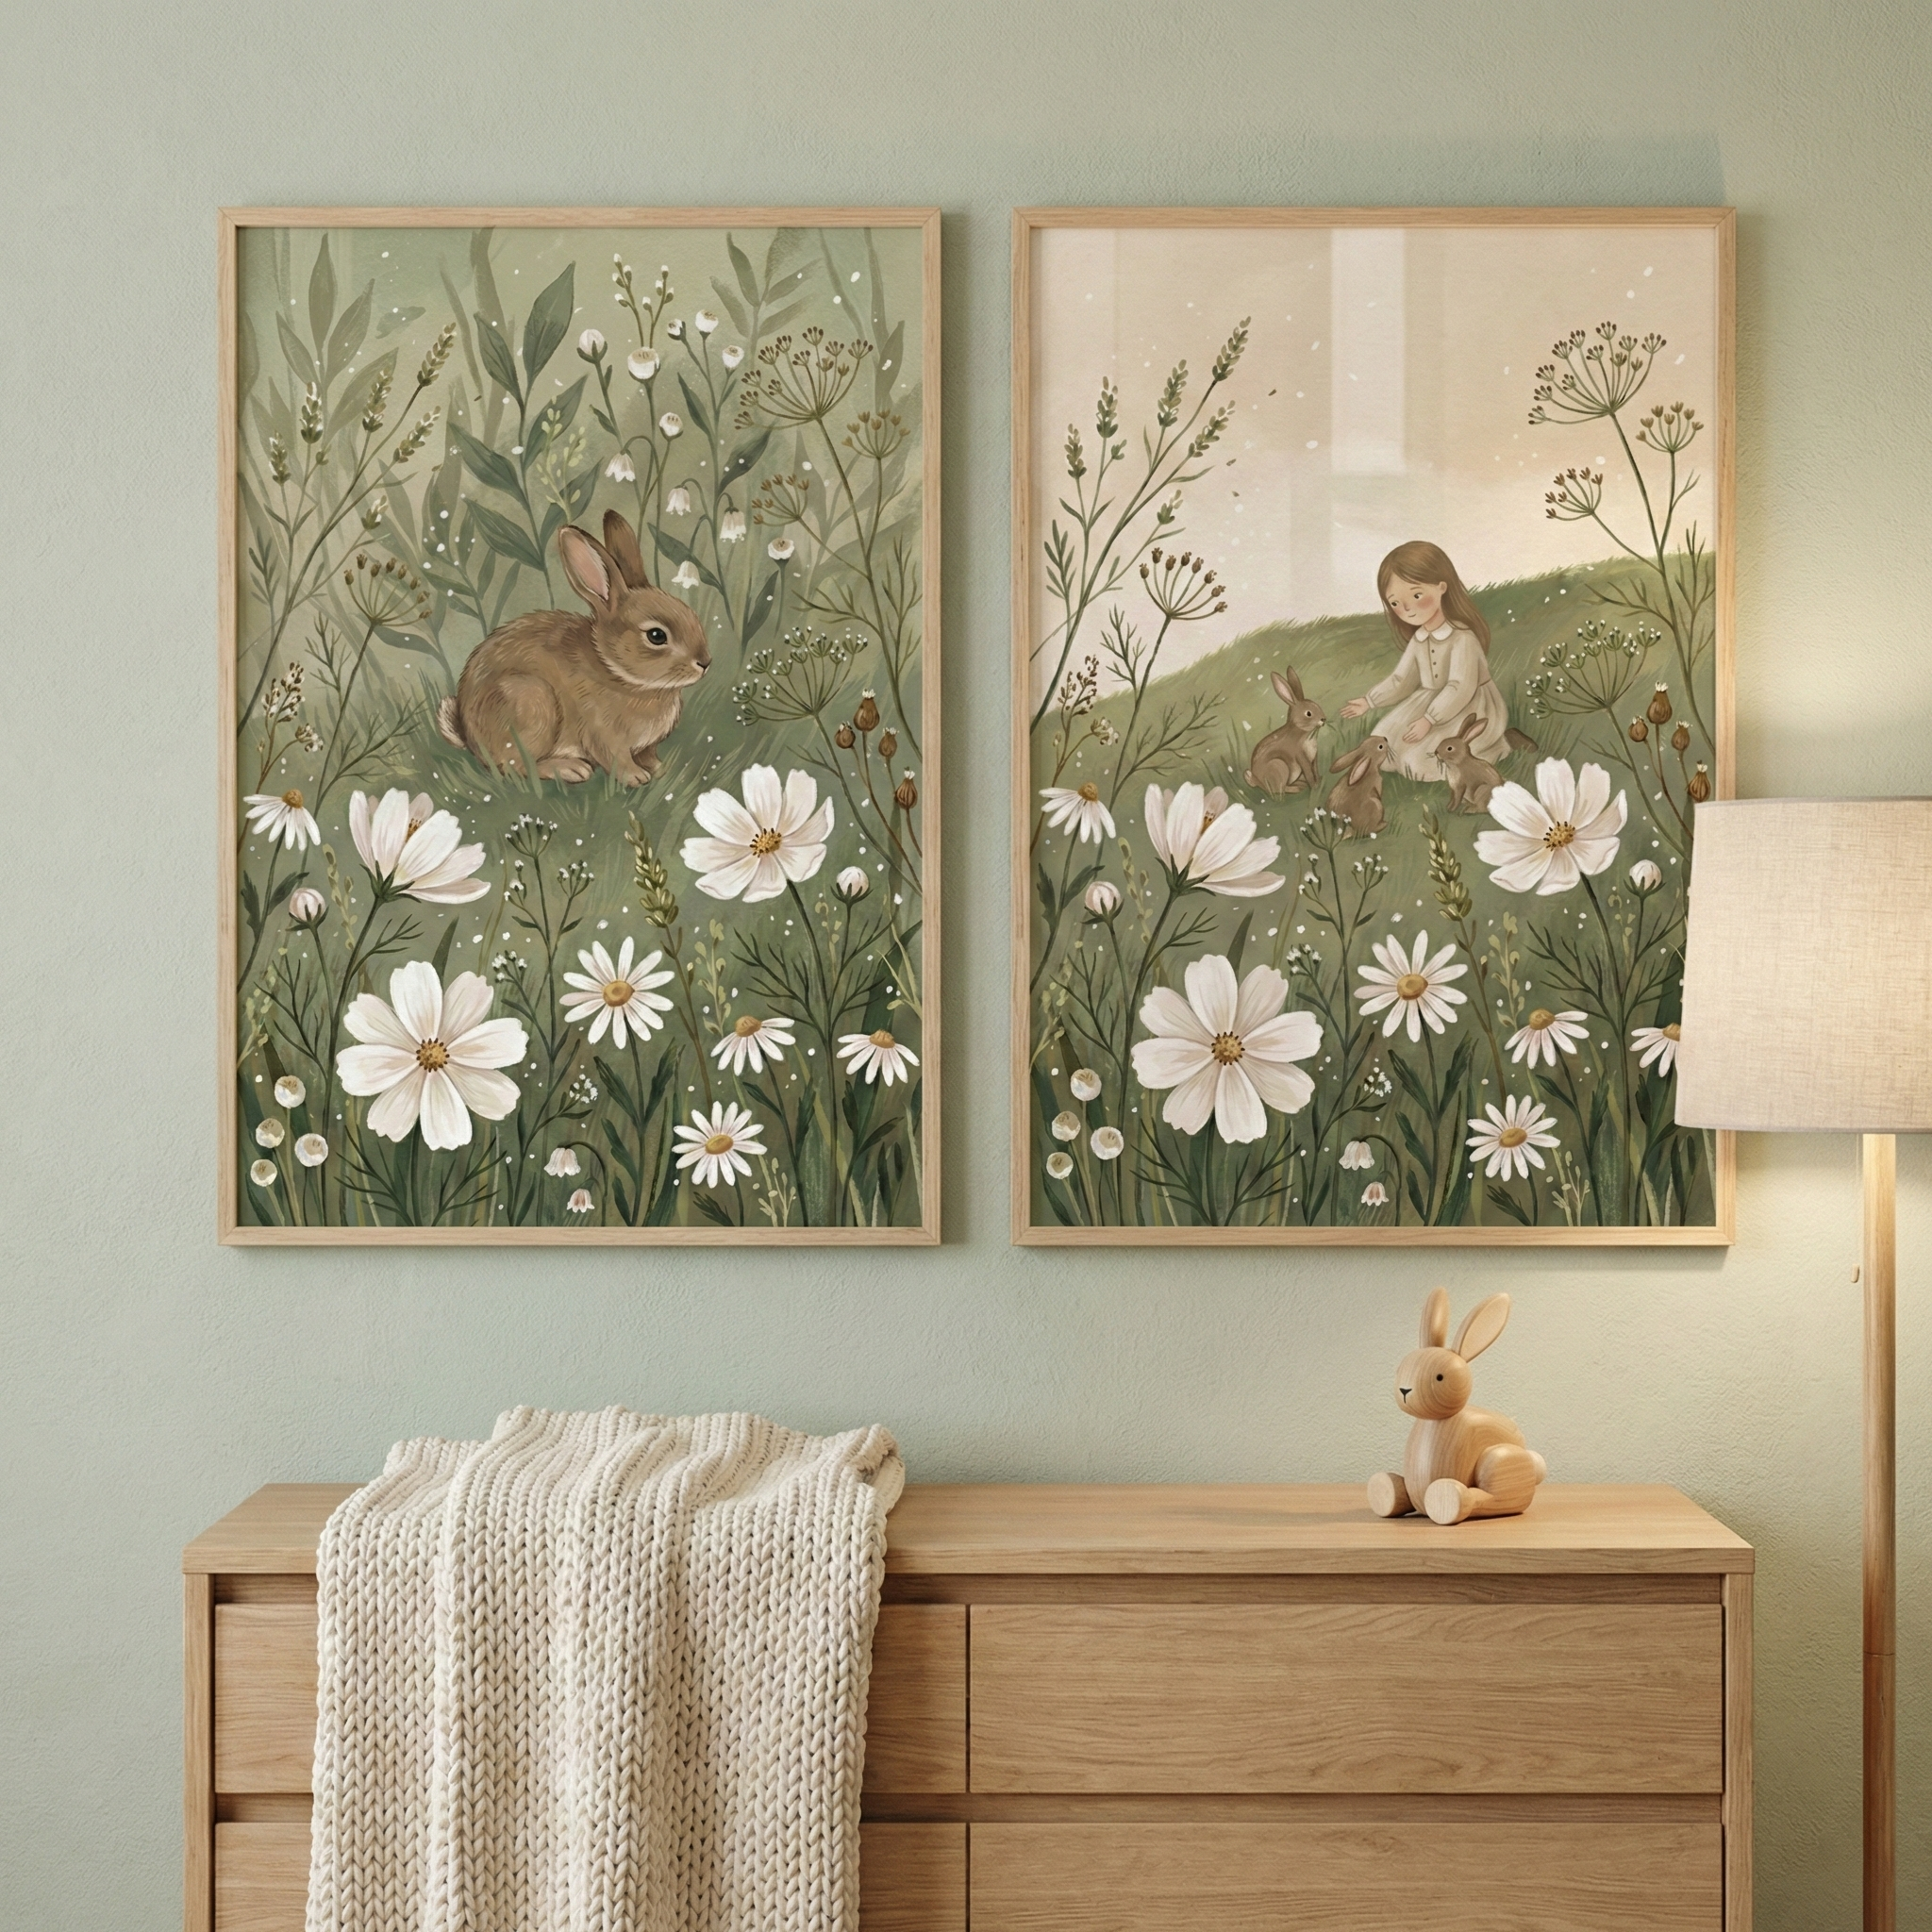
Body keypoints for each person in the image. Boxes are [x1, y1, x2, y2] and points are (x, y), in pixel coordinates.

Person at [1339, 541, 1518, 784]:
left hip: (1467, 705)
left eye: (1416, 595)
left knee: (1419, 763)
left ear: (1441, 587)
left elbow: (1460, 687)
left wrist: (1430, 720)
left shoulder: (1462, 638)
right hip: (1430, 699)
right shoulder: (1420, 639)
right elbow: (1401, 680)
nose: (1407, 609)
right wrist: (1369, 701)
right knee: (1383, 743)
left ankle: (1497, 746)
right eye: (1395, 603)